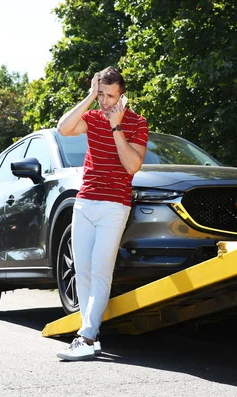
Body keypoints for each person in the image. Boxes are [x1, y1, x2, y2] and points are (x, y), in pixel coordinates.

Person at [55, 66, 149, 361]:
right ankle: (89, 334)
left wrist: (117, 126)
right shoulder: (92, 116)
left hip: (114, 205)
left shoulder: (136, 123)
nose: (104, 102)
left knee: (100, 270)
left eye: (110, 96)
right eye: (101, 95)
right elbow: (63, 128)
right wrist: (88, 96)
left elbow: (132, 165)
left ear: (123, 95)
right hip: (84, 202)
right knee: (82, 270)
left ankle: (85, 336)